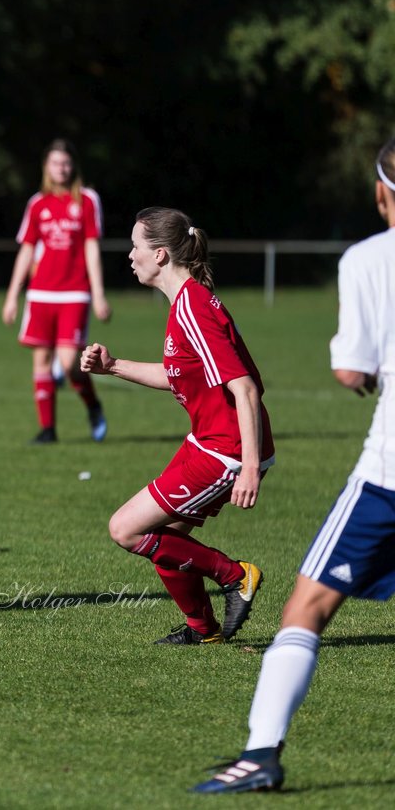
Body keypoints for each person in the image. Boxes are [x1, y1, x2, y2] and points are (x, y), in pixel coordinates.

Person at [190, 139, 395, 794]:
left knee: (306, 606)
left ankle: (261, 754)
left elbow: (350, 369)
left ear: (381, 192)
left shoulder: (367, 259)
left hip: (390, 475)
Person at [81, 207, 270, 645]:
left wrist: (249, 467)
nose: (130, 255)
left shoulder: (194, 309)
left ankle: (236, 575)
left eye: (136, 246)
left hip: (228, 448)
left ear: (161, 255)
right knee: (165, 541)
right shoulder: (186, 302)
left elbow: (245, 389)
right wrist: (113, 367)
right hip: (209, 440)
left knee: (126, 529)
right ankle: (203, 630)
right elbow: (179, 376)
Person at [3, 139, 110, 444]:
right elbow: (26, 250)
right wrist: (13, 295)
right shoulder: (38, 203)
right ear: (46, 167)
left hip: (75, 293)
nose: (61, 168)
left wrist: (99, 293)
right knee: (41, 361)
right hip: (40, 294)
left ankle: (93, 405)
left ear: (73, 165)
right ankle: (48, 429)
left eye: (65, 163)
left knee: (67, 364)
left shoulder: (88, 200)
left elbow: (91, 247)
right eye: (55, 163)